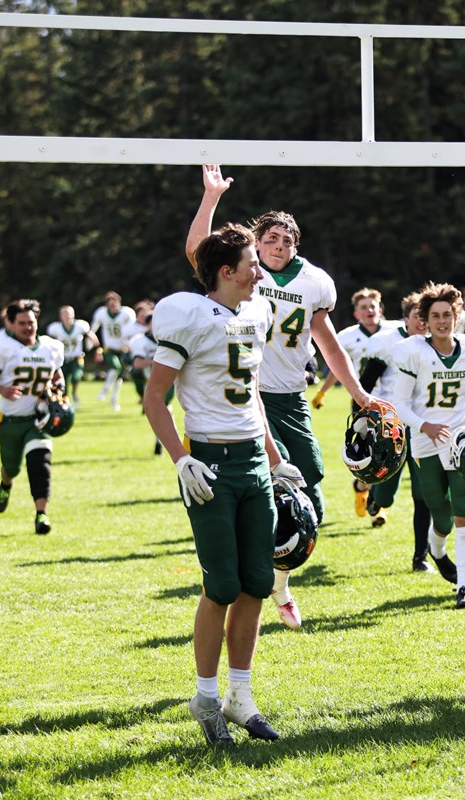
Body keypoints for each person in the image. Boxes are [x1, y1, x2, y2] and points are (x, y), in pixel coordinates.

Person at [186, 164, 381, 631]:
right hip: (242, 396)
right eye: (270, 239)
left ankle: (277, 580)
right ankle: (262, 579)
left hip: (291, 394)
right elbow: (197, 252)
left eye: (287, 239)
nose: (279, 246)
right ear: (257, 242)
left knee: (310, 483)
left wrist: (357, 392)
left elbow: (328, 342)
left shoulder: (314, 282)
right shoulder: (242, 276)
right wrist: (211, 197)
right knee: (265, 486)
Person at [144, 222, 301, 746]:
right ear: (227, 273)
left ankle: (240, 695)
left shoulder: (255, 310)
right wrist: (180, 459)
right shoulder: (191, 317)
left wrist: (275, 457)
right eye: (252, 263)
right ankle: (206, 697)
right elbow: (154, 398)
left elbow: (252, 388)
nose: (261, 270)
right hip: (209, 462)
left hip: (254, 460)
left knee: (258, 582)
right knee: (222, 586)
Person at [391, 282, 465, 608]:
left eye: (447, 314)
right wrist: (425, 425)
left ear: (457, 316)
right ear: (425, 320)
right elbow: (399, 403)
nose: (442, 321)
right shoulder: (413, 351)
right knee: (441, 516)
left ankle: (464, 587)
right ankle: (436, 550)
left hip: (460, 439)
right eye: (435, 316)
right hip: (424, 440)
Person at [0, 299, 65, 535]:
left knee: (40, 463)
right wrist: (2, 389)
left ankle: (41, 514)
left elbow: (57, 376)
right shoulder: (5, 348)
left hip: (38, 419)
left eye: (31, 322)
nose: (28, 327)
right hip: (11, 420)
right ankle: (6, 483)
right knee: (11, 467)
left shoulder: (51, 347)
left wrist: (57, 393)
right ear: (12, 324)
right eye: (22, 323)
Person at [359, 291, 434, 563]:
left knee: (423, 493)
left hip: (424, 427)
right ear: (405, 319)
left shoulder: (437, 345)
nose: (424, 322)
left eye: (427, 317)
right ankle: (377, 499)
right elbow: (364, 385)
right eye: (418, 316)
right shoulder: (388, 344)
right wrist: (363, 422)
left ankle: (420, 556)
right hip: (393, 427)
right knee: (387, 496)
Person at [312, 287, 393, 516]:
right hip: (362, 400)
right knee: (370, 450)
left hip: (391, 401)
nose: (369, 310)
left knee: (389, 450)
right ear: (356, 313)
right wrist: (323, 392)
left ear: (381, 309)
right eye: (363, 307)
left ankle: (373, 498)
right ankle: (365, 491)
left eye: (372, 306)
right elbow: (336, 369)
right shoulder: (347, 336)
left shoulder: (393, 331)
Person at [129, 313, 173, 455]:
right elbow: (137, 363)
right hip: (153, 381)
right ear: (147, 325)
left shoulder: (172, 337)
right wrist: (155, 362)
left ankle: (163, 442)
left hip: (172, 380)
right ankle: (162, 441)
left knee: (164, 409)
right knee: (163, 410)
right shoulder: (140, 340)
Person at [91, 291, 137, 411]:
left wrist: (132, 345)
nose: (114, 307)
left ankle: (114, 399)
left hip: (123, 349)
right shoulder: (101, 313)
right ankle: (104, 390)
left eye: (116, 304)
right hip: (109, 349)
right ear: (106, 305)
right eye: (111, 305)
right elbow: (93, 328)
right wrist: (92, 345)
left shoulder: (126, 313)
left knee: (119, 377)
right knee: (116, 367)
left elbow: (133, 329)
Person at [46, 305, 99, 405]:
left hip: (77, 357)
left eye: (69, 313)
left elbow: (91, 335)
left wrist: (97, 350)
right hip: (62, 359)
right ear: (60, 316)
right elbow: (48, 341)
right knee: (63, 381)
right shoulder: (55, 328)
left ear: (73, 314)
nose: (67, 315)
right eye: (65, 313)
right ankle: (65, 399)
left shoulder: (80, 325)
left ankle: (74, 393)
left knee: (76, 377)